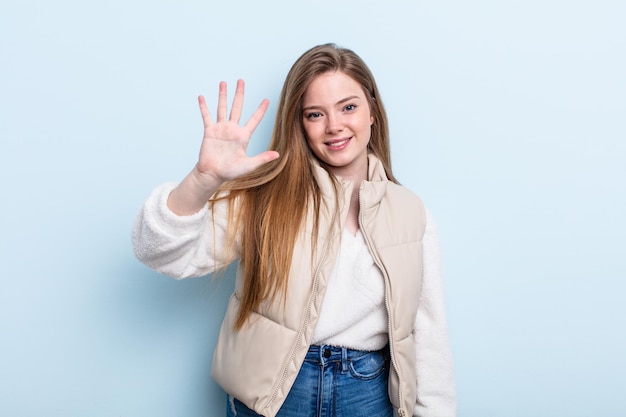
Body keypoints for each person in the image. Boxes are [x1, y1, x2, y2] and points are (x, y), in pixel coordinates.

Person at [132, 43, 456, 417]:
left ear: (372, 112)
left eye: (348, 107)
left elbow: (430, 338)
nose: (334, 126)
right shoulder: (266, 198)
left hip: (367, 393)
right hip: (275, 394)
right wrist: (202, 181)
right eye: (315, 114)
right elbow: (159, 253)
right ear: (299, 123)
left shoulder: (412, 214)